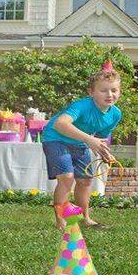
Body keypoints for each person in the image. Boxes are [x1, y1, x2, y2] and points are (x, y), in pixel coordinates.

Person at [42, 60, 122, 230]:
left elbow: (100, 138)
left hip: (79, 141)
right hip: (55, 138)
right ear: (91, 92)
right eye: (103, 90)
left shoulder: (115, 114)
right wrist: (88, 139)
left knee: (85, 181)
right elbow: (60, 124)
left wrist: (105, 152)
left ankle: (85, 218)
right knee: (66, 178)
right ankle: (60, 221)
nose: (110, 95)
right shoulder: (82, 106)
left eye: (114, 90)